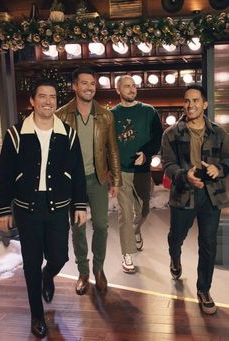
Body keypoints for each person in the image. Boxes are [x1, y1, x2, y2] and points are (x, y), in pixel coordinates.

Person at [0, 78, 87, 338]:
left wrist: (80, 204)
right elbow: (4, 173)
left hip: (58, 206)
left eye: (53, 97)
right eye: (43, 96)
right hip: (26, 208)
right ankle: (36, 314)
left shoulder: (67, 134)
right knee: (31, 263)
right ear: (32, 101)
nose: (48, 101)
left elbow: (77, 171)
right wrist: (3, 208)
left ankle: (50, 273)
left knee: (59, 257)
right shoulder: (16, 133)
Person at [161, 84, 229, 315]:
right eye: (187, 101)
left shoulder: (219, 133)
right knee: (176, 237)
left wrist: (218, 170)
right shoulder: (171, 133)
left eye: (196, 101)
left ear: (204, 104)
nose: (191, 105)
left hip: (212, 196)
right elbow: (168, 165)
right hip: (183, 195)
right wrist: (184, 176)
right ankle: (175, 259)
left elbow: (228, 162)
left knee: (208, 244)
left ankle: (204, 290)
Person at [56, 67, 122, 295]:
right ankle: (83, 272)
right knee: (78, 228)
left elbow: (112, 149)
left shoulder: (105, 115)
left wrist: (117, 180)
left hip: (98, 178)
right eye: (84, 83)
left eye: (92, 83)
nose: (89, 87)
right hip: (73, 182)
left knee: (102, 225)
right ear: (75, 86)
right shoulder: (61, 115)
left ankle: (99, 269)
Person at [111, 75, 163, 273]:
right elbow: (109, 145)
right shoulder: (112, 114)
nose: (132, 89)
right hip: (122, 170)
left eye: (134, 86)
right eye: (127, 86)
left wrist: (147, 153)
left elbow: (158, 137)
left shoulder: (149, 111)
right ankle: (127, 254)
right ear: (118, 90)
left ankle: (136, 231)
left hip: (142, 170)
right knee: (124, 213)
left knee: (143, 210)